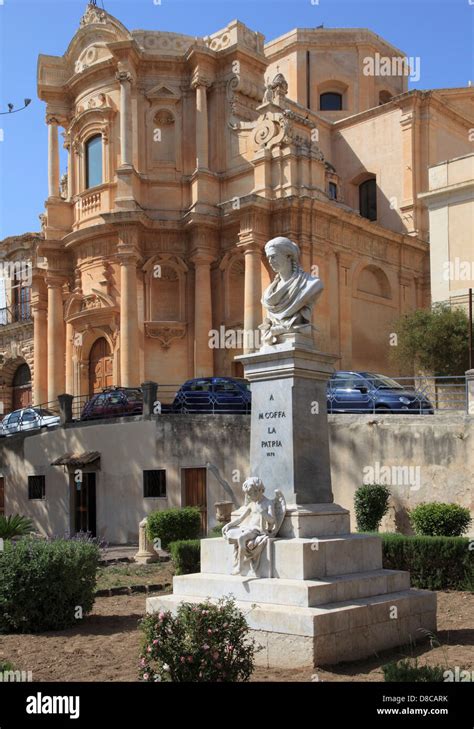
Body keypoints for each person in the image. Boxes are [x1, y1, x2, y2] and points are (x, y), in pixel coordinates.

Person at [259, 236, 323, 345]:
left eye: (273, 256)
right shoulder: (268, 294)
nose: (270, 261)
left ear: (288, 256)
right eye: (268, 257)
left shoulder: (311, 284)